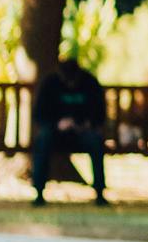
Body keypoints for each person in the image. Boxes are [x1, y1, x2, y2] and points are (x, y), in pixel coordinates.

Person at [31, 54, 110, 206]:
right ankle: (39, 192)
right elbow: (39, 114)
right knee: (43, 139)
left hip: (82, 133)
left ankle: (100, 192)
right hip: (55, 132)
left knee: (95, 141)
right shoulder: (50, 83)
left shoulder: (89, 82)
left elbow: (99, 113)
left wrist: (84, 124)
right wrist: (57, 124)